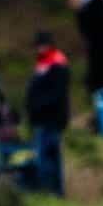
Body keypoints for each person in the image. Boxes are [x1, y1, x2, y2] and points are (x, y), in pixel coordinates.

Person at [26, 31, 71, 196]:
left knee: (46, 156)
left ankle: (49, 190)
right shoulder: (43, 64)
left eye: (41, 46)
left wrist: (38, 105)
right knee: (50, 155)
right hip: (42, 119)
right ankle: (54, 190)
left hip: (51, 119)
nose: (38, 49)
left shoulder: (57, 64)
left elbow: (56, 94)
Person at [69, 0, 103, 107]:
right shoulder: (82, 13)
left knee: (102, 83)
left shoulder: (93, 8)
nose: (71, 2)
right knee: (97, 85)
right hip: (96, 54)